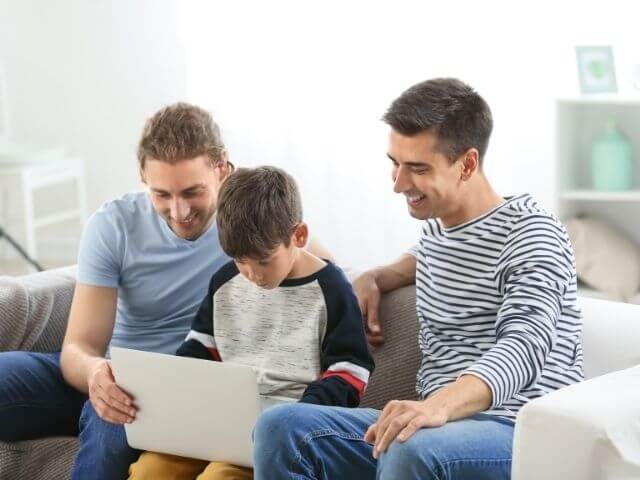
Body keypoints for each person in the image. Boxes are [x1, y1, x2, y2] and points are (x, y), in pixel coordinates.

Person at [251, 78, 584, 480]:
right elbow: (423, 257)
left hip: (517, 429)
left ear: (467, 164)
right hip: (435, 431)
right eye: (395, 162)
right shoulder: (438, 232)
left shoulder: (533, 233)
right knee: (282, 428)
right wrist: (376, 276)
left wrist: (438, 405)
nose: (398, 184)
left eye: (417, 168)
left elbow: (525, 345)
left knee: (411, 448)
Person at [0, 103, 332, 480]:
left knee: (113, 422)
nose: (179, 211)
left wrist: (376, 281)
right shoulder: (113, 225)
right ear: (143, 176)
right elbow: (79, 347)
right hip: (112, 373)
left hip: (174, 396)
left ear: (222, 168)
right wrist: (96, 373)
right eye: (162, 195)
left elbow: (324, 271)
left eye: (193, 192)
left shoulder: (251, 218)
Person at [127, 166, 374, 480]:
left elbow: (350, 371)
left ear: (298, 236)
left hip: (285, 429)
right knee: (150, 470)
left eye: (263, 261)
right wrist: (181, 389)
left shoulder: (332, 288)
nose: (253, 274)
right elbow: (201, 348)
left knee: (220, 476)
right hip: (219, 419)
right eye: (240, 261)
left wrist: (303, 413)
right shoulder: (224, 282)